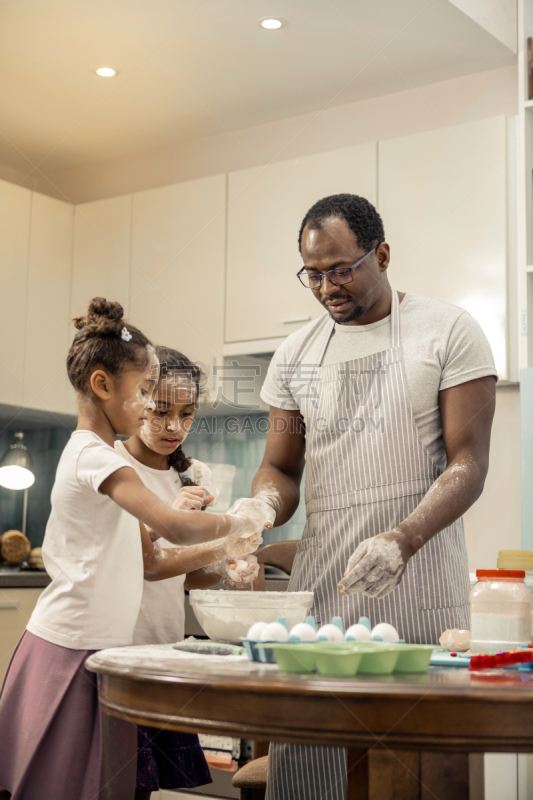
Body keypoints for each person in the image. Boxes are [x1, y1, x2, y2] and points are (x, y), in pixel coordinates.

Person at [243, 194, 497, 799]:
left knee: (414, 773)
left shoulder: (449, 330)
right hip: (323, 596)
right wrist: (256, 511)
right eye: (314, 274)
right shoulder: (295, 356)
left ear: (382, 254)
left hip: (421, 590)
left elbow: (469, 463)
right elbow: (279, 467)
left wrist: (401, 538)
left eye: (342, 269)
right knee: (312, 773)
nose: (327, 287)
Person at [0, 298, 268, 800]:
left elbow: (156, 553)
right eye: (146, 392)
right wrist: (239, 523)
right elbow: (169, 527)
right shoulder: (97, 457)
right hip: (72, 645)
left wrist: (225, 547)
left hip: (96, 646)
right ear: (102, 386)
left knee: (101, 787)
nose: (152, 408)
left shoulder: (95, 454)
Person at [115, 344, 259, 800]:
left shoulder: (195, 474)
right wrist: (170, 520)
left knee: (146, 788)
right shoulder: (112, 464)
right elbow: (133, 563)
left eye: (187, 413)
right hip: (115, 647)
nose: (173, 427)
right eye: (159, 412)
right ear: (135, 402)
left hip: (162, 646)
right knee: (113, 783)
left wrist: (226, 566)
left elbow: (189, 576)